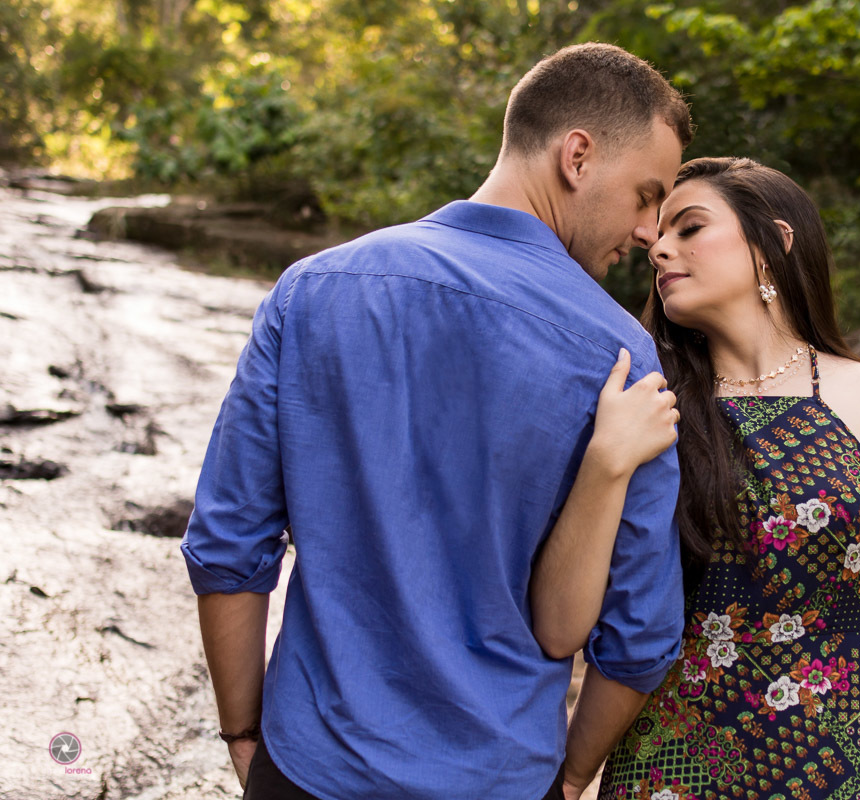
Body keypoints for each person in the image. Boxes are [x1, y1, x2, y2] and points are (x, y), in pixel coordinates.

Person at [180, 43, 694, 800]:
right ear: (577, 157)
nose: (651, 231)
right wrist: (571, 776)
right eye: (647, 195)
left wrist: (245, 735)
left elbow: (228, 545)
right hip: (503, 777)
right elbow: (640, 635)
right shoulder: (625, 363)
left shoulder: (312, 291)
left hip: (311, 764)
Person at [532, 157, 860, 800]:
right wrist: (605, 461)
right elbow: (565, 623)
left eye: (689, 228)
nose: (657, 247)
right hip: (669, 761)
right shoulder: (646, 405)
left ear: (774, 242)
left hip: (846, 755)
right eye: (657, 233)